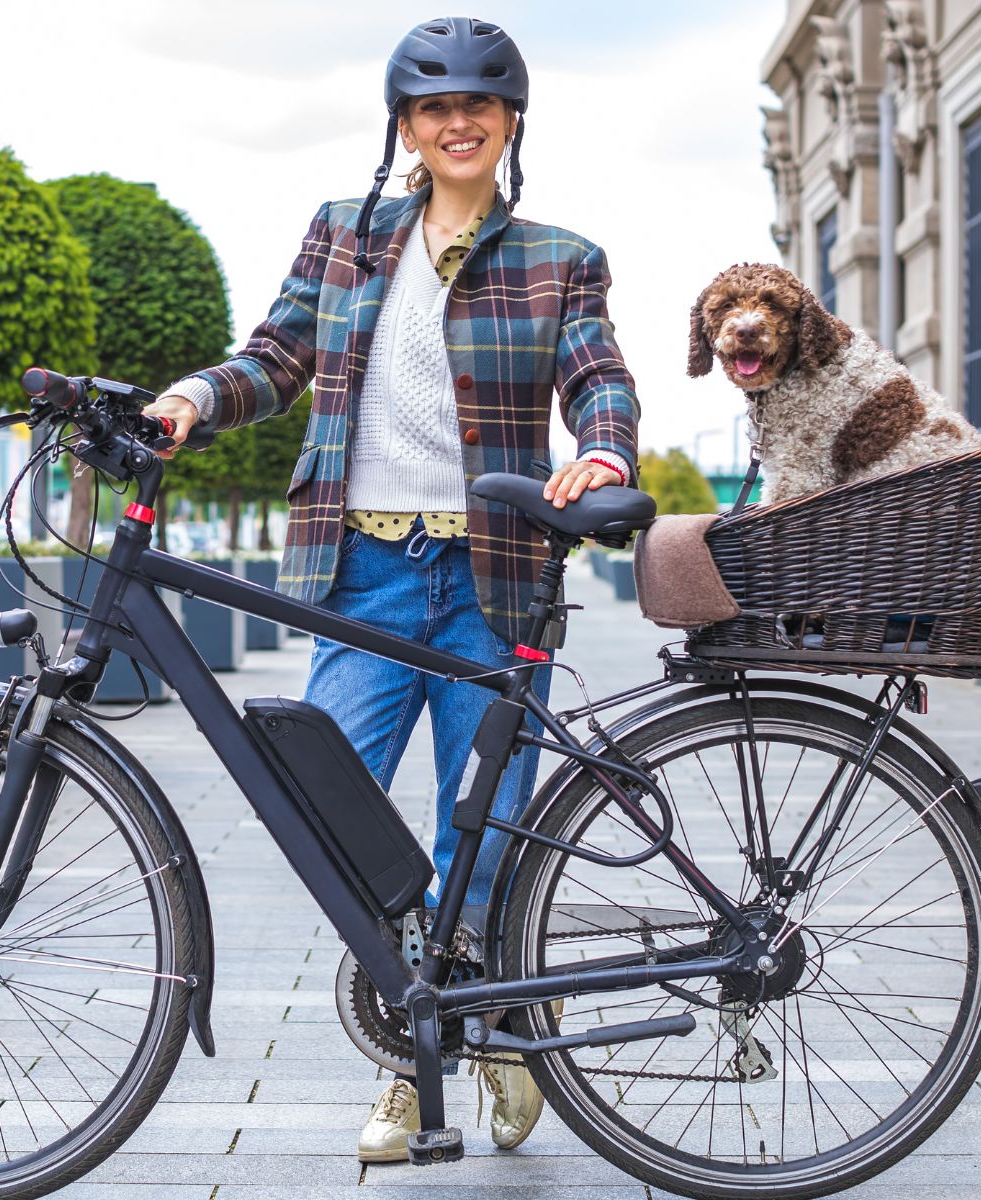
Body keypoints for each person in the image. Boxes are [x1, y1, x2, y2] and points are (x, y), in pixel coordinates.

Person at [145, 16, 639, 1162]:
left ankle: (468, 1041)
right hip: (358, 572)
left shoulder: (559, 255)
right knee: (340, 817)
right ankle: (447, 1012)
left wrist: (604, 447)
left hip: (490, 575)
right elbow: (277, 358)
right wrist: (194, 399)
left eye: (478, 106)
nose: (455, 124)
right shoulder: (344, 235)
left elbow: (598, 371)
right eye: (431, 109)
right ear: (404, 127)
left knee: (489, 829)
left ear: (511, 122)